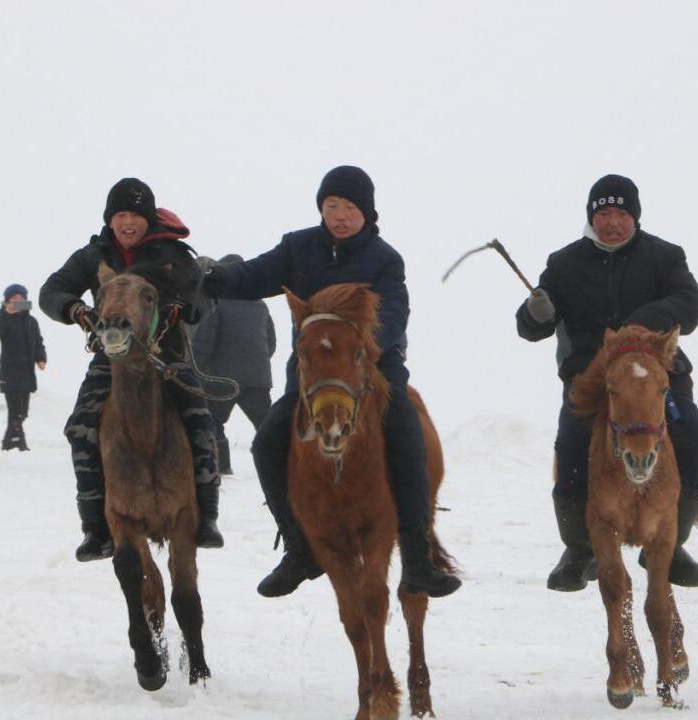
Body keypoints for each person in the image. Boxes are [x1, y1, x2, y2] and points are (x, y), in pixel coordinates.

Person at [201, 165, 461, 599]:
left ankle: (417, 559)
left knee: (407, 435)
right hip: (311, 376)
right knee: (267, 441)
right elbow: (254, 275)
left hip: (374, 371)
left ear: (367, 212)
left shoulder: (384, 259)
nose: (340, 215)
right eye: (332, 206)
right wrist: (214, 278)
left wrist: (355, 347)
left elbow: (395, 315)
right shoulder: (297, 248)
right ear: (322, 207)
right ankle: (299, 548)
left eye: (350, 207)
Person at [516, 174, 698, 591]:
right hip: (591, 384)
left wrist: (636, 328)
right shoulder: (563, 264)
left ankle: (671, 543)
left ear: (635, 217)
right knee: (571, 453)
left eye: (621, 213)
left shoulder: (665, 257)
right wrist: (536, 312)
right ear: (591, 217)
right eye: (603, 213)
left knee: (696, 443)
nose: (612, 222)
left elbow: (690, 305)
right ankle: (579, 551)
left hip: (660, 378)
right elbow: (531, 327)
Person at [40, 177, 224, 562]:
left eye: (135, 216)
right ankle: (96, 529)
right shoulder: (93, 256)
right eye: (120, 215)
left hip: (165, 356)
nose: (127, 223)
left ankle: (206, 519)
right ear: (110, 220)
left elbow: (202, 293)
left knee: (200, 421)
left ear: (148, 220)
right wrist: (76, 309)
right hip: (112, 358)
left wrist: (182, 310)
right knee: (81, 427)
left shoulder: (171, 255)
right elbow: (51, 290)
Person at [190, 254, 277, 475]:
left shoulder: (215, 301)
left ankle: (222, 468)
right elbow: (271, 342)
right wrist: (258, 364)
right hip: (258, 379)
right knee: (267, 426)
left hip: (223, 380)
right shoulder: (259, 303)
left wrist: (196, 368)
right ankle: (279, 466)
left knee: (213, 422)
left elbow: (205, 341)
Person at [0, 284, 47, 451]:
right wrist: (5, 314)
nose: (17, 302)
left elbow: (38, 342)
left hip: (27, 373)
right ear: (7, 301)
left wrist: (41, 358)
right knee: (16, 410)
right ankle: (18, 442)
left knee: (24, 411)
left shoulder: (31, 321)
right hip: (9, 371)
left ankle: (9, 441)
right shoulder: (3, 318)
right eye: (14, 299)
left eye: (21, 299)